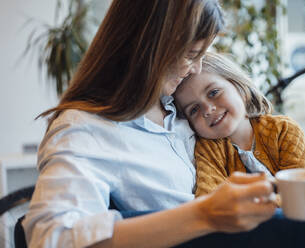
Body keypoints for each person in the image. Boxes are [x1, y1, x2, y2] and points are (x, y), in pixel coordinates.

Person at [23, 1, 277, 248]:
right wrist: (204, 215)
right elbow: (50, 238)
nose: (195, 69)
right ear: (149, 48)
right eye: (191, 55)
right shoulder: (85, 129)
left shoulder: (178, 105)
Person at [173, 52, 305, 210]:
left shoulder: (284, 129)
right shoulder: (207, 149)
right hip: (267, 222)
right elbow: (209, 201)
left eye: (213, 92)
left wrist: (248, 203)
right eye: (194, 109)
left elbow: (301, 193)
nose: (207, 109)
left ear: (241, 89)